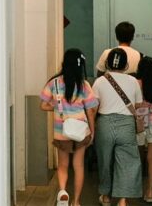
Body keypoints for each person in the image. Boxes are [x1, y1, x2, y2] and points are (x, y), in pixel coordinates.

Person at [89, 31, 148, 204]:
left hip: (105, 124)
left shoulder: (100, 81)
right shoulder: (132, 81)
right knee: (128, 162)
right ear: (126, 65)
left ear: (108, 63)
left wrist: (92, 129)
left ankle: (106, 196)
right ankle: (122, 200)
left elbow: (93, 108)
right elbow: (138, 105)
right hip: (126, 125)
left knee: (105, 161)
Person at [43, 48, 95, 206]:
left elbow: (43, 105)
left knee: (63, 165)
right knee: (78, 166)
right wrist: (92, 132)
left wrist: (58, 107)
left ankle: (63, 192)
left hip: (61, 131)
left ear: (64, 63)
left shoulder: (54, 83)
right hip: (80, 131)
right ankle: (76, 201)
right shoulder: (84, 85)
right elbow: (90, 111)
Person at [133, 55, 152, 203]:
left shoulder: (136, 84)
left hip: (140, 122)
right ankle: (150, 192)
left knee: (138, 157)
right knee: (151, 158)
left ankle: (136, 188)